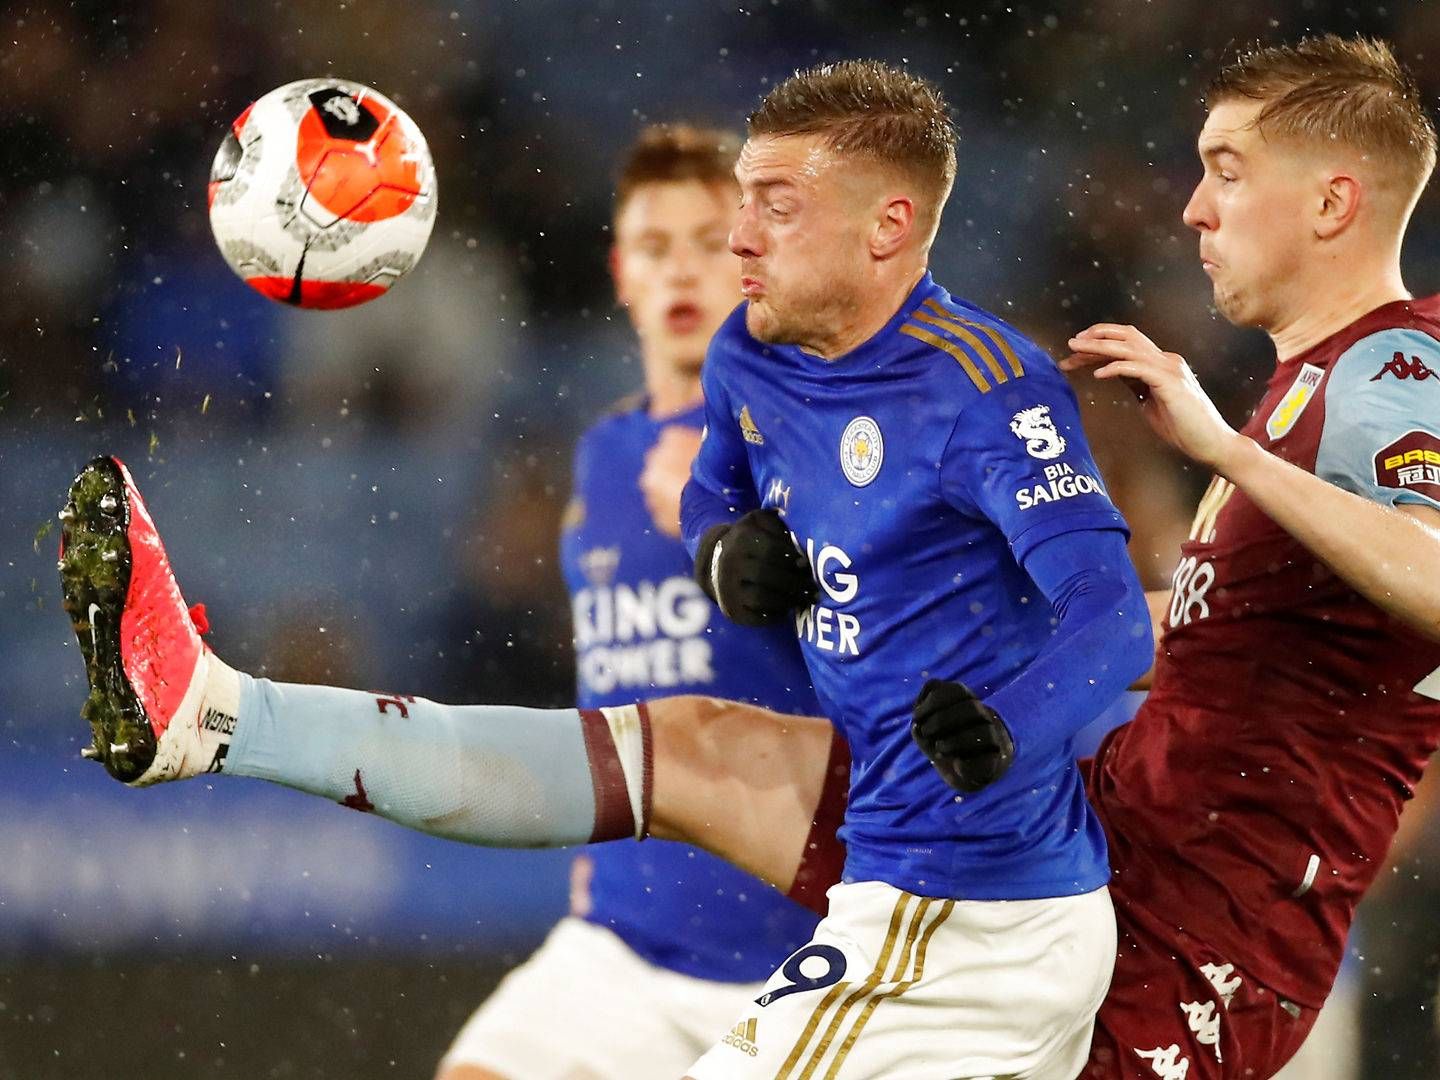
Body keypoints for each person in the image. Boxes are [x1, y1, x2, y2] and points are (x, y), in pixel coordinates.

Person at [59, 61, 1152, 1080]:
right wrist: (722, 549)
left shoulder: (988, 390)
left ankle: (221, 717)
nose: (734, 240)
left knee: (684, 744)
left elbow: (1109, 612)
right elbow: (717, 494)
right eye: (730, 204)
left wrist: (1009, 716)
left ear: (888, 227)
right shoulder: (726, 373)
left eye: (774, 204)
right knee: (662, 742)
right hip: (740, 909)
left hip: (956, 907)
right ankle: (219, 716)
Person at [939, 33, 1435, 1078]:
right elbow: (1217, 634)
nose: (1193, 210)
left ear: (1332, 204)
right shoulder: (1309, 392)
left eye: (1226, 171)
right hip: (1137, 861)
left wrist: (1221, 453)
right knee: (747, 767)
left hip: (1224, 931)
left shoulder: (1397, 367)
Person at [435, 125, 823, 1080]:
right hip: (626, 946)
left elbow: (898, 634)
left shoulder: (818, 440)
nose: (682, 271)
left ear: (753, 259)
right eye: (655, 247)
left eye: (708, 242)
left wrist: (746, 510)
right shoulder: (600, 455)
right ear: (620, 272)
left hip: (800, 957)